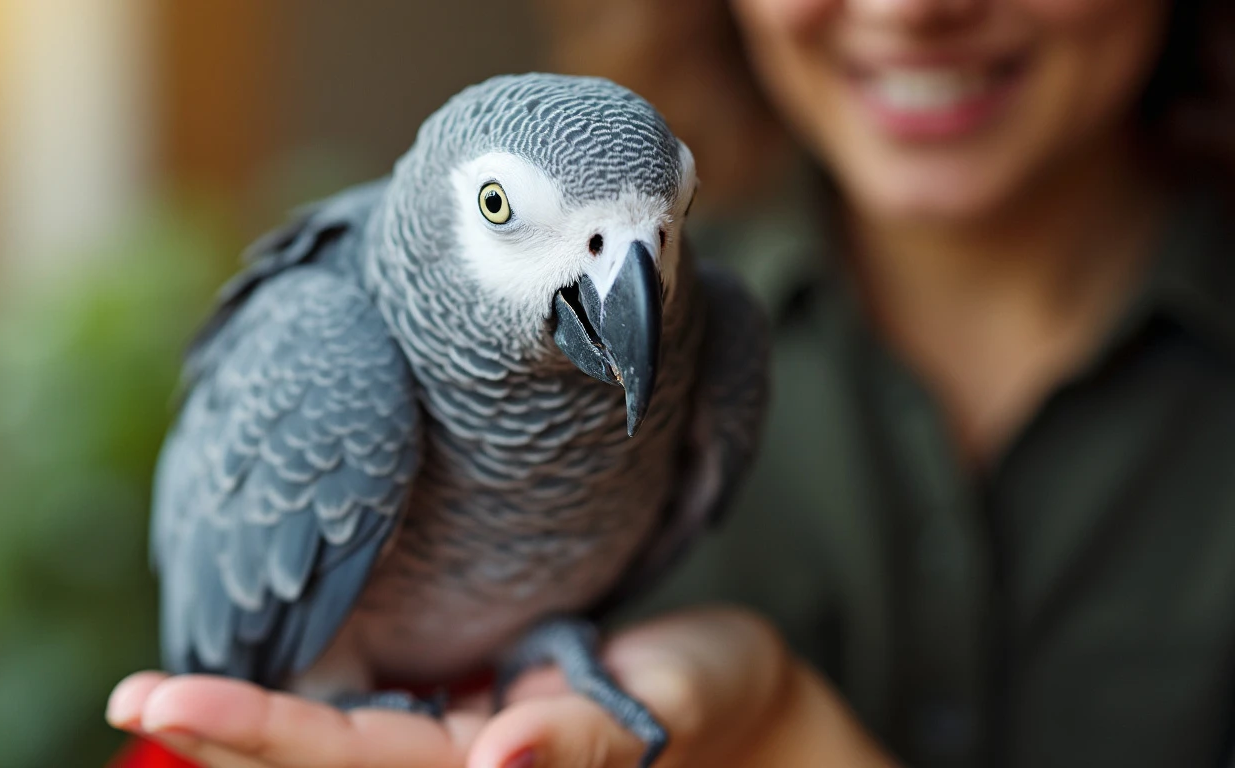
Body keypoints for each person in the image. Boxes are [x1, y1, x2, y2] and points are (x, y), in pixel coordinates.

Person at [106, 0, 1235, 765]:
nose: (911, 5)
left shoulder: (703, 343)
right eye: (506, 212)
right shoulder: (327, 351)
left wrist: (783, 730)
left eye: (658, 228)